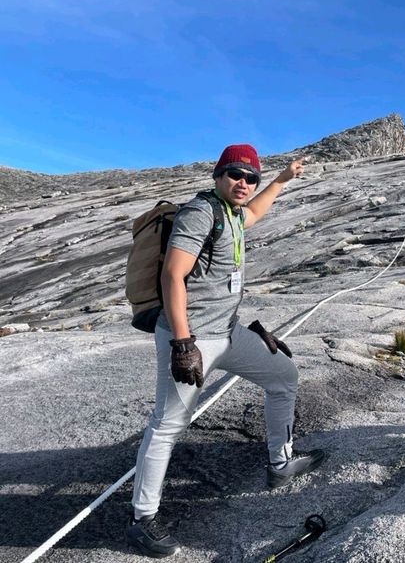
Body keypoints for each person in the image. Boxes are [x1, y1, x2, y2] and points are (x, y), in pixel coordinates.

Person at [126, 144, 325, 558]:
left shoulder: (233, 214)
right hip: (193, 338)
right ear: (218, 176)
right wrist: (182, 343)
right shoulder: (201, 212)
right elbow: (172, 275)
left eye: (249, 177)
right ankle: (142, 519)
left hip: (229, 333)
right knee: (167, 425)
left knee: (284, 377)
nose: (243, 183)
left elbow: (254, 214)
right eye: (235, 174)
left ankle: (280, 464)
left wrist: (281, 180)